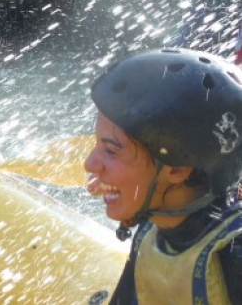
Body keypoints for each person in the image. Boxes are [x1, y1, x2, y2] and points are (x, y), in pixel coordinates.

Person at [84, 48, 242, 304]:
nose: (89, 164)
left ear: (178, 169)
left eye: (111, 150)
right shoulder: (151, 233)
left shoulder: (234, 259)